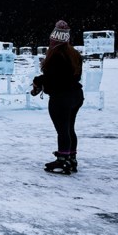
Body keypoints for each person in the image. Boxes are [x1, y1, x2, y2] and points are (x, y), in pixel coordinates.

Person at [31, 20, 83, 174]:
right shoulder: (74, 54)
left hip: (61, 98)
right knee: (69, 128)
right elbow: (71, 77)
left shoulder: (55, 55)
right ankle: (71, 158)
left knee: (62, 130)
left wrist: (38, 81)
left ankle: (63, 160)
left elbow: (53, 78)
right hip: (76, 95)